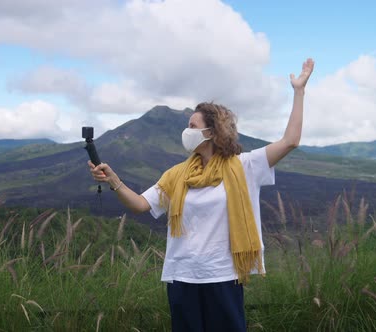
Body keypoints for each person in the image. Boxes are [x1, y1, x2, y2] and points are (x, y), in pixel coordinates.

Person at [88, 58, 315, 332]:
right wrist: (114, 181)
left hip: (223, 276)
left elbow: (290, 141)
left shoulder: (245, 166)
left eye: (193, 126)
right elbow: (140, 204)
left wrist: (299, 91)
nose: (187, 132)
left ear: (212, 131)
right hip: (182, 276)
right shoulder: (177, 175)